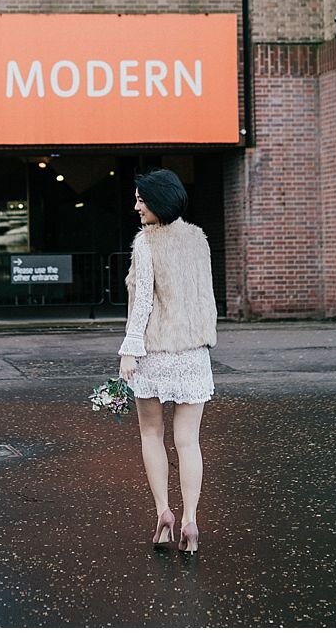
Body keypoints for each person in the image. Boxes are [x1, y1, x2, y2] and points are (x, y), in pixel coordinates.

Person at [118, 168, 217, 555]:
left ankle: (163, 514)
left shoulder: (146, 242)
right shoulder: (199, 241)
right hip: (193, 353)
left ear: (159, 200)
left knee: (151, 435)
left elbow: (143, 301)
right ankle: (191, 520)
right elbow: (204, 298)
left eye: (142, 199)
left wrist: (129, 349)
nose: (137, 206)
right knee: (189, 441)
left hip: (155, 351)